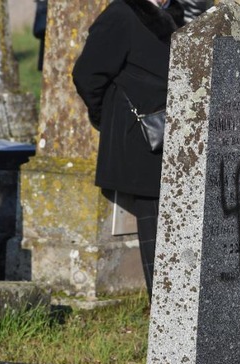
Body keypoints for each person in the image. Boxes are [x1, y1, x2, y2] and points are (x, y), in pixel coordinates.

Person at [72, 0, 184, 298]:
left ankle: (177, 311)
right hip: (141, 144)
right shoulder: (122, 13)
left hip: (178, 145)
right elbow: (87, 75)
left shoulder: (174, 15)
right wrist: (109, 119)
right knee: (155, 237)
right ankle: (163, 312)